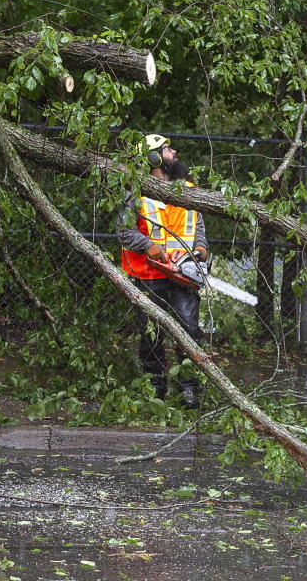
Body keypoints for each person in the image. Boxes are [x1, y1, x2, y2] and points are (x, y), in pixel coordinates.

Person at [117, 133, 209, 408]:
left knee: (189, 330)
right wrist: (149, 247)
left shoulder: (189, 189)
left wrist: (201, 252)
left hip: (182, 273)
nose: (174, 152)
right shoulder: (136, 190)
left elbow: (198, 230)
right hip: (148, 274)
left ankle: (189, 389)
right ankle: (156, 389)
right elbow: (123, 231)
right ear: (154, 157)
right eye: (168, 149)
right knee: (151, 334)